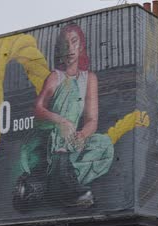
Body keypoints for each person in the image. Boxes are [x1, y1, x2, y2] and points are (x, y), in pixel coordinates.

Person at [13, 23, 114, 209]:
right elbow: (38, 109)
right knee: (61, 132)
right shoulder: (55, 77)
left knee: (104, 145)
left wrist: (82, 135)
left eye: (73, 42)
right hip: (46, 141)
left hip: (70, 143)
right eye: (64, 44)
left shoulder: (89, 78)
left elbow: (92, 120)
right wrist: (61, 121)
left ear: (81, 45)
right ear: (59, 49)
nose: (69, 48)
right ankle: (64, 186)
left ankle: (52, 182)